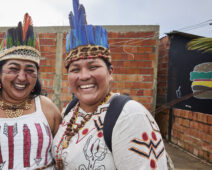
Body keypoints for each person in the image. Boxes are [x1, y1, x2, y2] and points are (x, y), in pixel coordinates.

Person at [52, 0, 168, 169]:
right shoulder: (70, 111)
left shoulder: (130, 116)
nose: (84, 76)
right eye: (75, 69)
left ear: (110, 72)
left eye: (93, 67)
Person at [0, 13, 61, 170]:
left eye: (29, 70)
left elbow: (63, 155)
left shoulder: (47, 108)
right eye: (13, 69)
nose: (21, 77)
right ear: (0, 72)